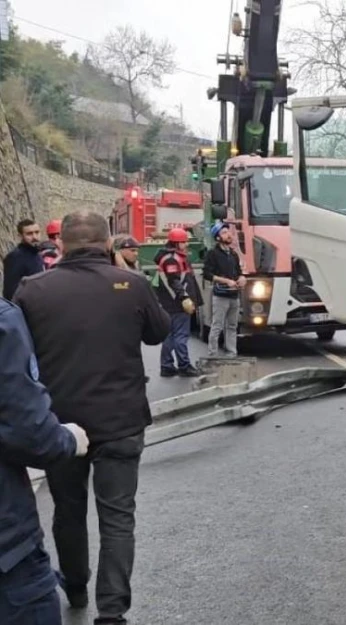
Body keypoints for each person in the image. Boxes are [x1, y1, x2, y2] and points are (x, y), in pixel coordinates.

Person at [12, 210, 170, 625]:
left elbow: (17, 351)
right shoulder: (132, 284)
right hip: (121, 421)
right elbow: (158, 332)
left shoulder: (32, 290)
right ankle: (112, 611)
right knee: (118, 515)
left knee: (68, 508)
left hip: (62, 423)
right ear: (107, 244)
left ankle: (76, 586)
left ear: (60, 245)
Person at [0, 297, 89, 625]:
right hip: (8, 552)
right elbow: (30, 433)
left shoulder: (30, 293)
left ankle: (77, 585)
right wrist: (67, 439)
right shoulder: (3, 318)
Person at [152, 228, 201, 377]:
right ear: (176, 243)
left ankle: (167, 366)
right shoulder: (171, 259)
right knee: (180, 335)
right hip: (176, 303)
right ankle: (184, 366)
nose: (186, 244)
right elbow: (174, 281)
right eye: (184, 242)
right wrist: (185, 298)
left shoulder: (172, 257)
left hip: (171, 302)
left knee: (171, 335)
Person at [201, 221, 244, 357]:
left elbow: (238, 272)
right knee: (217, 325)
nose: (228, 234)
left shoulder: (233, 254)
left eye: (228, 232)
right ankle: (212, 354)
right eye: (224, 233)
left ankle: (231, 352)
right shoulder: (212, 254)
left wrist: (242, 278)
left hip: (234, 296)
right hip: (220, 296)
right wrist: (225, 281)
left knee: (232, 326)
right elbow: (207, 274)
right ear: (218, 237)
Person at [3, 219, 44, 300]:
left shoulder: (37, 254)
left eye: (37, 232)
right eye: (29, 234)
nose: (35, 237)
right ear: (20, 236)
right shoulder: (15, 257)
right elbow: (10, 291)